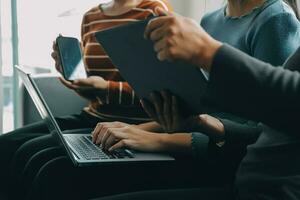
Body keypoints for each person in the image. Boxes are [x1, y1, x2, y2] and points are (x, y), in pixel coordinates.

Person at [13, 1, 300, 200]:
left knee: (55, 173)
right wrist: (144, 130)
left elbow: (257, 128)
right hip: (196, 140)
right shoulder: (210, 20)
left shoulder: (276, 20)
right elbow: (193, 110)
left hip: (216, 158)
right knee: (41, 159)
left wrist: (149, 136)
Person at [0, 0, 172, 198]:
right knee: (6, 144)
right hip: (93, 116)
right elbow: (91, 88)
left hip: (133, 124)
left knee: (32, 155)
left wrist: (107, 88)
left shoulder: (153, 11)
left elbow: (162, 91)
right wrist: (77, 81)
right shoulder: (91, 17)